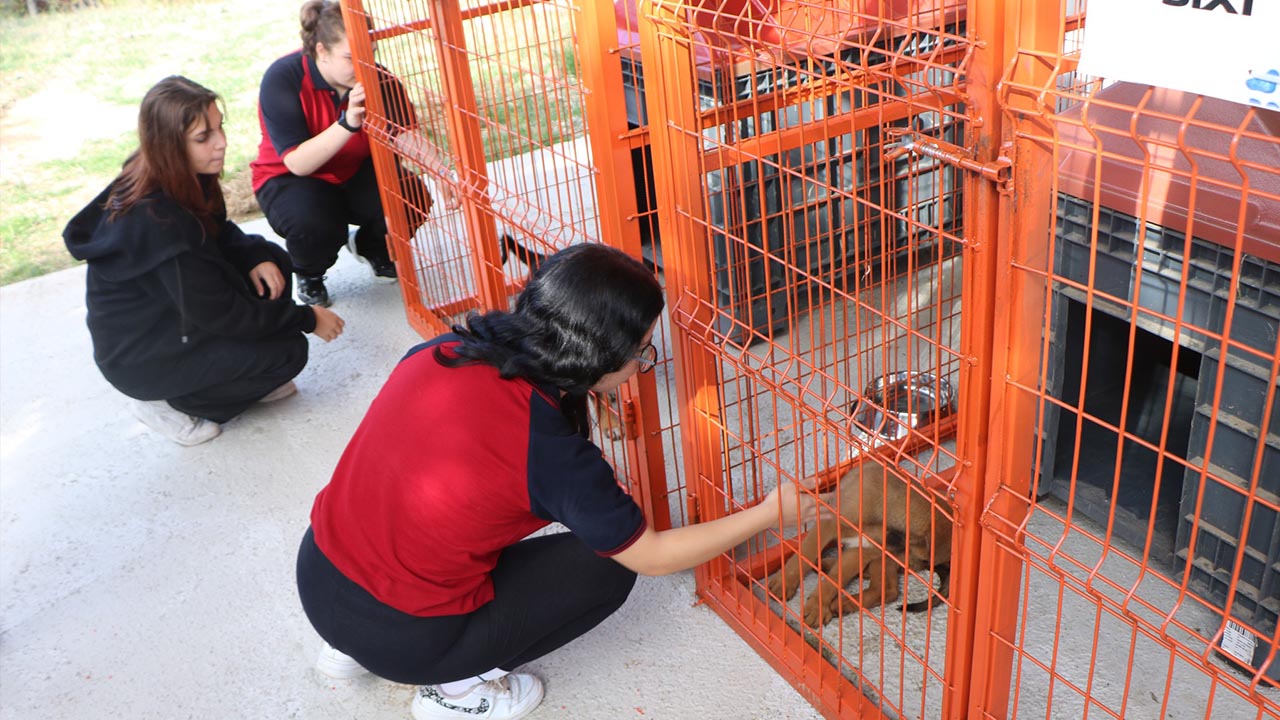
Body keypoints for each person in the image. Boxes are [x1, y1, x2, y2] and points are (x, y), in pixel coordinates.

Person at [296, 243, 821, 720]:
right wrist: (772, 511)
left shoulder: (444, 352)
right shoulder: (551, 453)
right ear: (601, 356)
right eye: (640, 351)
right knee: (607, 571)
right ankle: (453, 691)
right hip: (407, 640)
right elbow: (652, 554)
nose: (642, 365)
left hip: (318, 571)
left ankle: (346, 647)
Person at [63, 76, 345, 446]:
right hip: (146, 357)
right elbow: (223, 315)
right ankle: (171, 405)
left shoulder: (181, 175)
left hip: (175, 316)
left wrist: (254, 255)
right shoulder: (159, 223)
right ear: (168, 146)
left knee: (272, 260)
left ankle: (230, 380)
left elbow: (217, 230)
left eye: (219, 127)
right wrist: (307, 317)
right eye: (203, 137)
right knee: (288, 352)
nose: (221, 142)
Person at [252, 0, 451, 308]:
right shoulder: (283, 78)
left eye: (369, 55)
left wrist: (443, 172)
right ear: (321, 51)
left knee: (412, 198)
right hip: (291, 178)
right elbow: (297, 162)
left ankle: (372, 246)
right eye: (350, 57)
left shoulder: (378, 78)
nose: (363, 67)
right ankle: (310, 272)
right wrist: (347, 124)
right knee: (316, 225)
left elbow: (403, 134)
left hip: (354, 169)